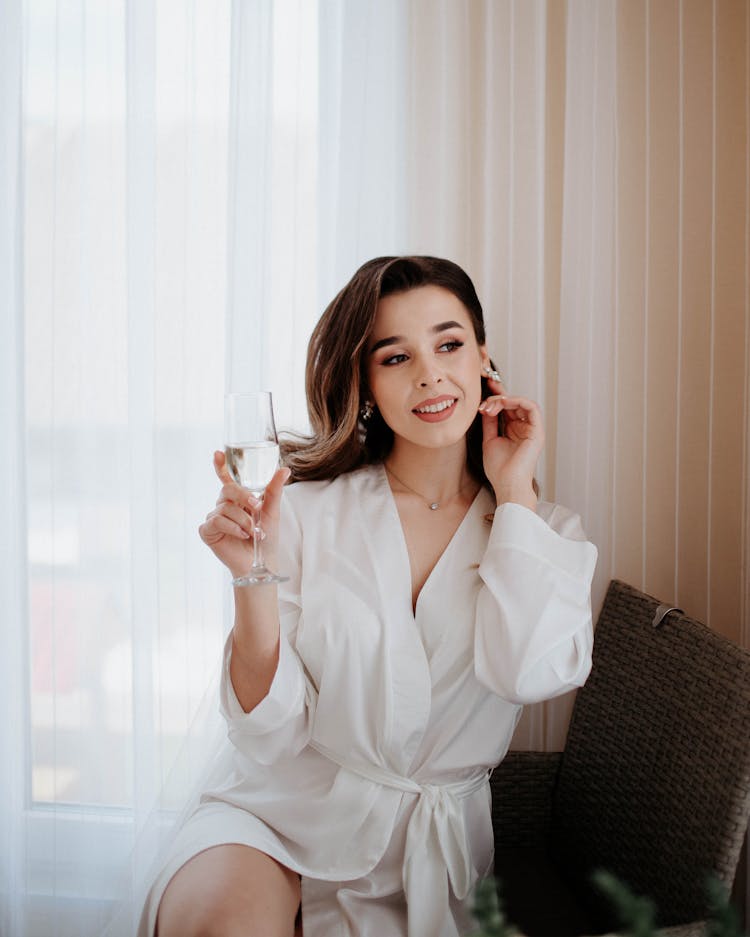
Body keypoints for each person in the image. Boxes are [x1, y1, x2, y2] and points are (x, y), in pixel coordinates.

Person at [142, 255, 598, 937]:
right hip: (276, 813)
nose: (429, 373)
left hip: (424, 854)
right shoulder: (304, 514)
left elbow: (529, 673)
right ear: (364, 384)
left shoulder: (543, 529)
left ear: (484, 357)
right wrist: (250, 576)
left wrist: (514, 494)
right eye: (395, 357)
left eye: (449, 343)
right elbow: (268, 732)